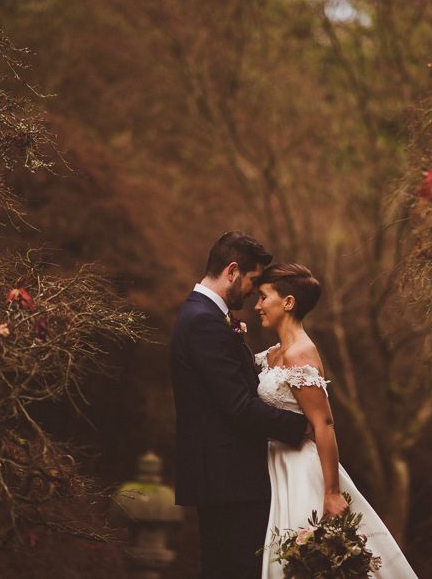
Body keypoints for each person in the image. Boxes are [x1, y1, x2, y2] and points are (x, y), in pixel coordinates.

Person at [254, 263, 418, 578]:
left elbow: (324, 424)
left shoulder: (300, 353)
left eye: (263, 297)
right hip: (275, 466)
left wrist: (331, 492)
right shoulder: (273, 353)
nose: (257, 305)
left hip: (300, 469)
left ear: (288, 303)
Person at [170, 232, 309, 579]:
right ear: (232, 271)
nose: (252, 291)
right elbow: (239, 406)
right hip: (228, 479)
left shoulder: (204, 316)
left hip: (224, 478)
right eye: (252, 280)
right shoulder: (204, 321)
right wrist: (300, 427)